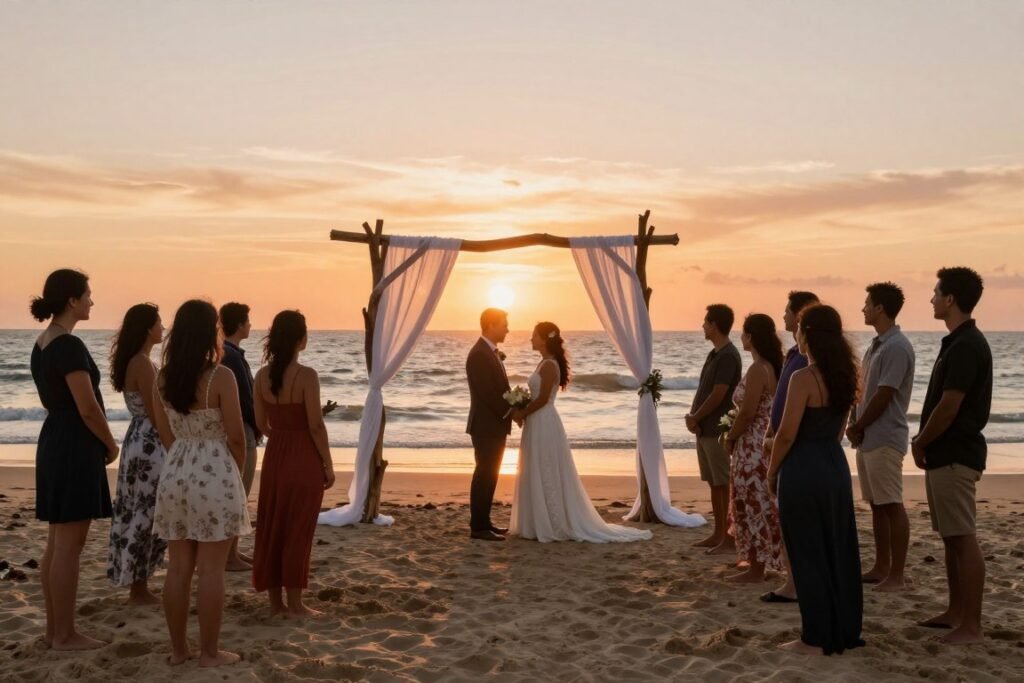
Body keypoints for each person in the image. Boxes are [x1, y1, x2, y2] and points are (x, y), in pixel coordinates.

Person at [152, 300, 252, 667]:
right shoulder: (219, 377)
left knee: (178, 567)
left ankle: (179, 651)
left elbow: (166, 434)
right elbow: (237, 437)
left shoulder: (162, 379)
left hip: (176, 470)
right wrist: (234, 472)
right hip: (215, 469)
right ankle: (209, 652)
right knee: (211, 569)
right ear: (210, 331)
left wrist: (183, 462)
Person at [30, 269, 118, 650]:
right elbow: (87, 407)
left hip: (54, 440)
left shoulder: (42, 342)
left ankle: (55, 631)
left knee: (56, 541)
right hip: (73, 445)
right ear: (72, 300)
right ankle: (64, 634)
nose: (92, 301)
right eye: (88, 294)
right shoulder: (68, 345)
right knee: (68, 545)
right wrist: (111, 443)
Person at [768, 304, 864, 655]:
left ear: (806, 333)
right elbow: (838, 431)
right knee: (837, 548)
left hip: (803, 468)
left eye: (798, 329)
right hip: (833, 467)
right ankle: (845, 628)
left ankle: (815, 638)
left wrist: (772, 470)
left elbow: (786, 434)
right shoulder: (847, 375)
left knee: (807, 550)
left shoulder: (803, 378)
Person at [510, 323, 653, 543]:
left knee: (545, 466)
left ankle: (551, 522)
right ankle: (537, 519)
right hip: (538, 420)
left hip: (544, 420)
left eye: (534, 336)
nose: (531, 339)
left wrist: (521, 413)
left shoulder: (549, 365)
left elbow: (542, 398)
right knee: (536, 466)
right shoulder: (543, 363)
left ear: (543, 339)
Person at [913, 267, 991, 645]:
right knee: (950, 537)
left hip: (956, 453)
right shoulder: (957, 342)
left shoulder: (967, 345)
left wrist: (921, 440)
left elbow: (950, 405)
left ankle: (971, 625)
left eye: (935, 292)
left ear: (951, 299)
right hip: (946, 453)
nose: (931, 299)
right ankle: (955, 611)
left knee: (962, 537)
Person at [252, 311, 335, 617]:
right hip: (303, 456)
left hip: (276, 455)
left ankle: (276, 604)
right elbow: (315, 425)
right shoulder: (306, 376)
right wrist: (327, 464)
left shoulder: (261, 376)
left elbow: (261, 423)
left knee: (274, 525)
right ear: (301, 339)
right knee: (299, 528)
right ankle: (296, 604)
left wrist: (282, 436)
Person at [846, 282, 915, 592]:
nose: (863, 308)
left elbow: (885, 394)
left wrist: (860, 425)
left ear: (880, 309)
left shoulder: (897, 347)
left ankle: (896, 575)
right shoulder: (877, 345)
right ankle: (881, 565)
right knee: (876, 503)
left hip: (885, 436)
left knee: (891, 504)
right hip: (868, 436)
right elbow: (863, 391)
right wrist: (853, 419)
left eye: (867, 303)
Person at [107, 303, 168, 605]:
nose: (163, 327)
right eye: (159, 322)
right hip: (149, 443)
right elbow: (157, 413)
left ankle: (139, 584)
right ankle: (139, 588)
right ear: (147, 328)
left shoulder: (136, 360)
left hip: (138, 440)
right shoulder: (142, 364)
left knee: (138, 510)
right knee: (146, 512)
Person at [760, 290, 818, 604]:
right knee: (787, 519)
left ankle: (796, 584)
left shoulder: (809, 363)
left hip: (795, 446)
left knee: (795, 522)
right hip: (780, 438)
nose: (782, 317)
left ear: (800, 316)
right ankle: (792, 580)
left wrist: (778, 442)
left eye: (786, 312)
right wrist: (770, 431)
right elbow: (780, 400)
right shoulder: (793, 354)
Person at [722, 314, 784, 582]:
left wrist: (731, 437)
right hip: (761, 442)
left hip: (752, 445)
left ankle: (757, 568)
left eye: (744, 333)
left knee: (752, 502)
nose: (741, 337)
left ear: (751, 336)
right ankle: (760, 562)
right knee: (761, 502)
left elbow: (747, 412)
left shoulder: (759, 369)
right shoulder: (772, 366)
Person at [686, 304, 742, 553]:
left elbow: (719, 394)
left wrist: (696, 415)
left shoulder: (729, 355)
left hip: (717, 429)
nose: (702, 326)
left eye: (706, 322)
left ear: (715, 325)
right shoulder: (715, 354)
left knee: (722, 483)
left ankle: (727, 537)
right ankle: (718, 532)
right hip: (704, 429)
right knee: (713, 483)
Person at [465, 308, 512, 541]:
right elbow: (488, 395)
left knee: (491, 473)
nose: (507, 329)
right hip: (486, 425)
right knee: (484, 473)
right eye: (504, 324)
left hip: (493, 425)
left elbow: (499, 390)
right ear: (491, 325)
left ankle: (485, 521)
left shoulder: (490, 352)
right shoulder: (479, 355)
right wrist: (513, 411)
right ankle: (478, 527)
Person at [219, 302, 258, 571]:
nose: (251, 325)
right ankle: (229, 556)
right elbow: (246, 398)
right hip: (242, 427)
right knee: (239, 491)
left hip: (237, 426)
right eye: (248, 320)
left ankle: (233, 550)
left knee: (238, 492)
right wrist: (259, 426)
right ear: (240, 324)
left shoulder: (230, 353)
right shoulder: (231, 356)